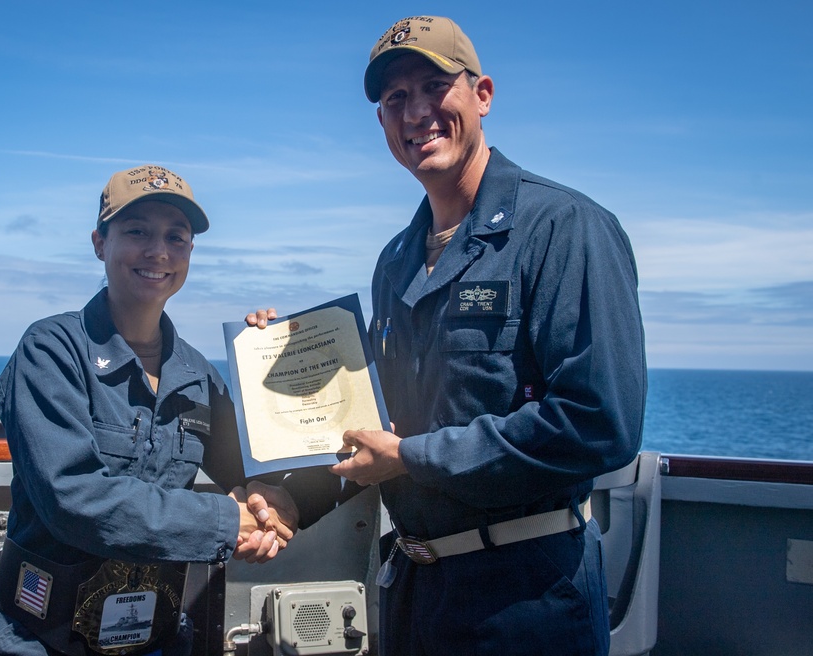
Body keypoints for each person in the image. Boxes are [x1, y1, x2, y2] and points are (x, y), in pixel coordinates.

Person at [247, 15, 647, 655]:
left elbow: (599, 424)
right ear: (381, 124)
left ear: (482, 95)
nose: (416, 112)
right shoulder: (395, 261)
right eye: (395, 99)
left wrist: (412, 459)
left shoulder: (564, 228)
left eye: (435, 86)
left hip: (527, 600)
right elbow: (378, 425)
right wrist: (293, 484)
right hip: (413, 593)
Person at [0, 164, 296, 656]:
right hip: (41, 640)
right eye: (137, 232)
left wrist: (275, 366)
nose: (159, 251)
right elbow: (73, 498)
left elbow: (257, 471)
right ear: (99, 243)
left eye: (177, 237)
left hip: (157, 639)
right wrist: (225, 523)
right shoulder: (51, 351)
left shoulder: (196, 374)